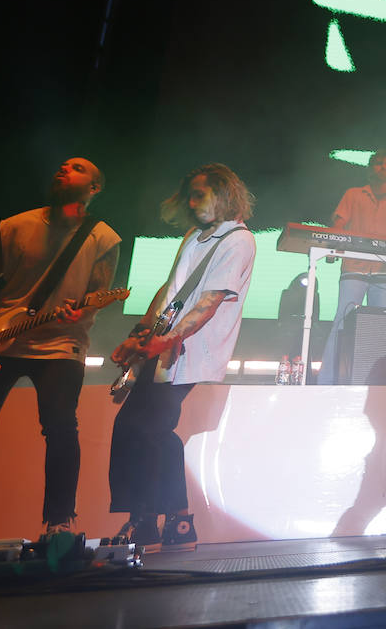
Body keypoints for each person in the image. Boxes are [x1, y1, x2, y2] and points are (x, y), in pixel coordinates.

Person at [0, 157, 121, 543]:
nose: (65, 169)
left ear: (94, 188)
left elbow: (100, 295)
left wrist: (82, 308)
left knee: (61, 428)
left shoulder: (104, 237)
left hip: (61, 345)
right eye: (64, 165)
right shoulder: (16, 225)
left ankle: (59, 525)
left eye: (78, 168)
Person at [107, 163, 255, 553]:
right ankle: (167, 520)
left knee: (146, 428)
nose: (191, 203)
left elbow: (209, 302)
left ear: (224, 194)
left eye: (199, 194)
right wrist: (141, 334)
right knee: (143, 430)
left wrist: (166, 340)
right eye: (189, 195)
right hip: (165, 346)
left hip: (191, 351)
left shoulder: (238, 240)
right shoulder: (195, 235)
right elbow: (171, 289)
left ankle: (153, 519)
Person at [316, 149, 386, 384]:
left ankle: (374, 382)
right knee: (342, 320)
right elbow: (338, 224)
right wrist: (332, 248)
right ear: (370, 169)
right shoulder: (353, 195)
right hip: (354, 267)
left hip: (385, 271)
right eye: (378, 163)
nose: (382, 167)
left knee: (380, 327)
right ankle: (326, 380)